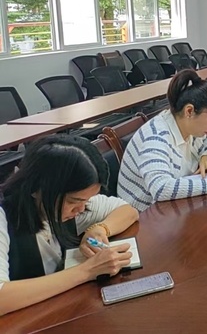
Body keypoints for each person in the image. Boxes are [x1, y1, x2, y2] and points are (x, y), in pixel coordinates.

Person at [0, 135, 139, 315]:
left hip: (61, 310)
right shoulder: (4, 218)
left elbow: (128, 211)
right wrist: (87, 271)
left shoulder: (74, 206)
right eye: (74, 201)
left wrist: (98, 229)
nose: (81, 209)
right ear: (35, 189)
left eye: (86, 200)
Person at [118, 70, 207, 212]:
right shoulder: (156, 137)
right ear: (189, 111)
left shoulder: (194, 129)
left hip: (175, 208)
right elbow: (161, 189)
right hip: (144, 216)